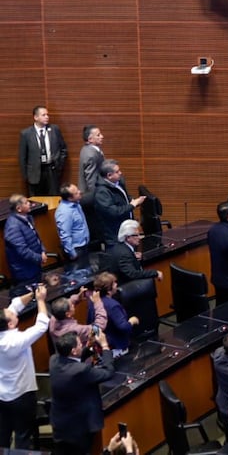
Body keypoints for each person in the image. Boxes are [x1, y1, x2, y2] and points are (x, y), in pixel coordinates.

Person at [49, 330, 115, 454]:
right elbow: (108, 372)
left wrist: (89, 347)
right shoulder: (81, 371)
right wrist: (105, 346)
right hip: (79, 428)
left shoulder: (54, 361)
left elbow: (73, 361)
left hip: (60, 425)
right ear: (73, 351)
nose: (82, 345)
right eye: (80, 344)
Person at [0, 284, 48, 449]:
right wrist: (40, 300)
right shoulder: (15, 341)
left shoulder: (5, 330)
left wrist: (32, 294)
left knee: (3, 435)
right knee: (23, 435)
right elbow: (42, 325)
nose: (14, 312)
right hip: (21, 395)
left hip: (2, 395)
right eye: (12, 315)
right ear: (10, 324)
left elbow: (14, 305)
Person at [93, 159, 145, 248]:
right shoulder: (101, 192)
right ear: (109, 175)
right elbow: (113, 212)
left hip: (126, 230)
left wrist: (134, 201)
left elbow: (124, 196)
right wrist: (132, 205)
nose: (120, 173)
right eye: (117, 172)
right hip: (114, 234)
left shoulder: (118, 182)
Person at [18, 105, 68, 196]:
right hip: (34, 173)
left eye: (47, 114)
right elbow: (22, 157)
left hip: (52, 170)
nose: (47, 117)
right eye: (43, 115)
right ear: (36, 117)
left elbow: (63, 149)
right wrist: (26, 176)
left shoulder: (54, 129)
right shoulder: (26, 133)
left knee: (53, 198)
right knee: (36, 200)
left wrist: (59, 166)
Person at [3, 193, 47, 284]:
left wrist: (43, 251)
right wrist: (40, 258)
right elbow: (23, 251)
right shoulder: (13, 227)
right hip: (25, 271)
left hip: (34, 265)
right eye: (26, 203)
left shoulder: (27, 218)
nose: (29, 204)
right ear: (19, 208)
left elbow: (36, 237)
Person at [90, 271, 137, 356]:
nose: (116, 284)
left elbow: (93, 325)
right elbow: (123, 327)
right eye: (114, 283)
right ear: (108, 290)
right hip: (118, 349)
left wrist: (100, 340)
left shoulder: (93, 303)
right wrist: (132, 321)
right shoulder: (112, 306)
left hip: (103, 350)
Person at [109, 219, 163, 283]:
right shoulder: (124, 254)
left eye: (139, 234)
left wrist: (134, 257)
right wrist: (155, 273)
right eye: (136, 235)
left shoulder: (121, 247)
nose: (139, 237)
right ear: (128, 237)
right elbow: (132, 274)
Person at [78, 124, 105, 196]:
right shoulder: (91, 155)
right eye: (98, 135)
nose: (102, 136)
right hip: (92, 194)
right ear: (90, 139)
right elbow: (91, 180)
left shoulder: (87, 149)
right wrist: (98, 196)